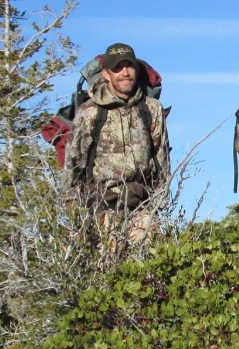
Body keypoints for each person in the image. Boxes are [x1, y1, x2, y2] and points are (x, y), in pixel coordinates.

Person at [63, 42, 170, 244]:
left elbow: (161, 158)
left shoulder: (152, 109)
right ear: (106, 74)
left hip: (141, 206)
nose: (125, 73)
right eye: (117, 68)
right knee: (107, 269)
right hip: (101, 207)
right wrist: (73, 211)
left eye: (129, 66)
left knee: (152, 263)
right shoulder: (90, 111)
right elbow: (74, 162)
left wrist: (160, 202)